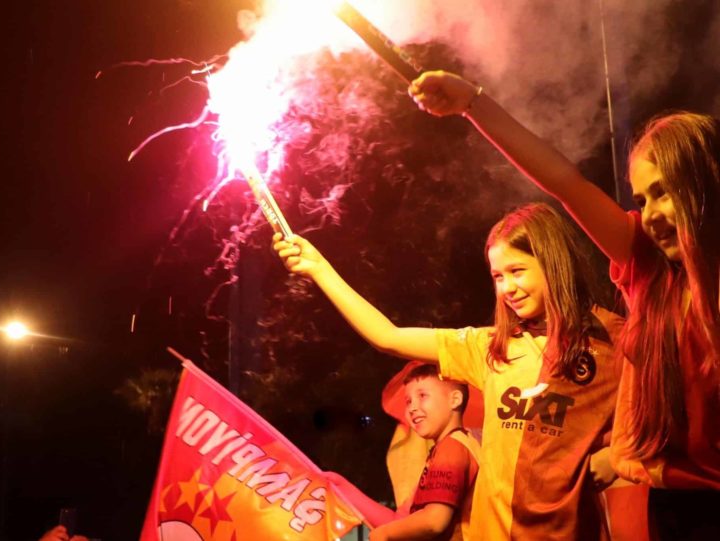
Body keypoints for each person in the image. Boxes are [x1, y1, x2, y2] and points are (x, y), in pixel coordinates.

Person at [408, 71, 720, 537]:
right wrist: (473, 104)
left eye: (664, 191)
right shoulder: (651, 273)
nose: (650, 214)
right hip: (675, 510)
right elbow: (565, 183)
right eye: (641, 198)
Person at [274, 202, 623, 539]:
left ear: (554, 262)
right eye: (497, 277)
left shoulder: (614, 342)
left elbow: (662, 423)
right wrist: (318, 268)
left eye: (517, 272)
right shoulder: (492, 348)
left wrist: (616, 456)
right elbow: (388, 337)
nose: (507, 289)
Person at [328, 363, 480, 541]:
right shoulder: (458, 444)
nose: (412, 408)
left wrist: (385, 534)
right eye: (408, 401)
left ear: (455, 399)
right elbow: (401, 520)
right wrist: (340, 486)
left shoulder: (451, 448)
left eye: (422, 395)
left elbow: (434, 521)